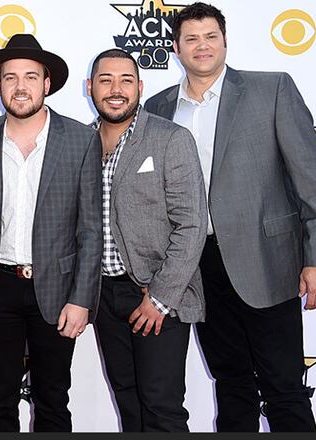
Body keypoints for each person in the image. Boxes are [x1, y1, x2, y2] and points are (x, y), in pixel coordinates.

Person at [145, 2, 316, 432]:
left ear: (225, 41)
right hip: (197, 270)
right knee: (231, 384)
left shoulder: (271, 90)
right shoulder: (156, 109)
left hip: (267, 261)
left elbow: (312, 179)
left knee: (285, 386)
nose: (202, 46)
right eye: (191, 38)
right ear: (175, 47)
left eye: (211, 36)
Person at [0, 34, 102, 432]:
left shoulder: (81, 139)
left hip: (58, 289)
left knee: (52, 399)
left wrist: (81, 299)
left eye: (31, 76)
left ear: (47, 84)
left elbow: (92, 228)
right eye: (10, 77)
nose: (20, 86)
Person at [88, 48, 207, 431]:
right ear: (90, 88)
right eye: (105, 80)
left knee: (161, 406)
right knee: (129, 400)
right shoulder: (80, 143)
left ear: (140, 87)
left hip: (155, 292)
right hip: (103, 295)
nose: (115, 89)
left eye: (125, 80)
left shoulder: (170, 138)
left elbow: (191, 223)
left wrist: (159, 297)